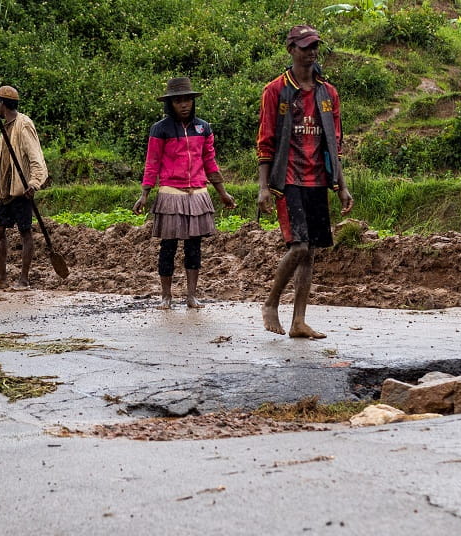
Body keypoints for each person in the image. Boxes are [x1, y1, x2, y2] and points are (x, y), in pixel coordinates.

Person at [256, 24, 352, 340]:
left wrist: (342, 186)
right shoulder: (276, 91)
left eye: (314, 47)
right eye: (305, 46)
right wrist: (262, 187)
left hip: (317, 180)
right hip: (287, 178)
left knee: (310, 252)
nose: (311, 52)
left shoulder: (328, 93)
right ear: (291, 50)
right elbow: (266, 140)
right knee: (298, 246)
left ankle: (299, 320)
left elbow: (334, 144)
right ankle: (270, 303)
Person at [133, 76, 236, 309]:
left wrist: (223, 192)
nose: (184, 104)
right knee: (168, 247)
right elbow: (152, 162)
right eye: (178, 101)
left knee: (194, 247)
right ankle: (166, 296)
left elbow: (210, 162)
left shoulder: (203, 127)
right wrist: (145, 193)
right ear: (170, 104)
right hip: (171, 192)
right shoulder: (160, 129)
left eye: (187, 100)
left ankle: (191, 295)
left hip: (198, 193)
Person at [0, 85, 48, 292]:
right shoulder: (5, 128)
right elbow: (4, 163)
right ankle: (1, 277)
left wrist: (35, 183)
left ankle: (24, 280)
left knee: (25, 232)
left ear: (2, 104)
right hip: (5, 191)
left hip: (21, 189)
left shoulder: (23, 124)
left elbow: (36, 158)